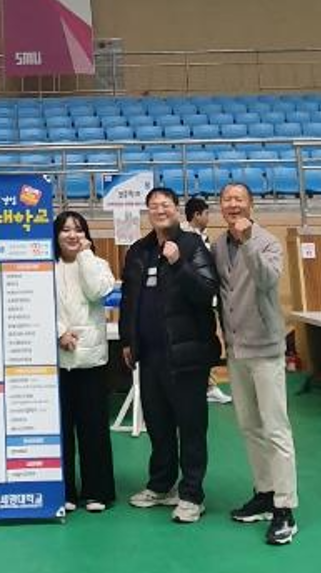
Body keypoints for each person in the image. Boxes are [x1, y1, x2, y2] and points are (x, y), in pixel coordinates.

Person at [120, 187, 220, 524]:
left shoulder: (192, 246)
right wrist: (128, 340)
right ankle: (161, 485)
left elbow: (207, 292)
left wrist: (179, 263)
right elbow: (129, 300)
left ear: (176, 209)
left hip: (186, 355)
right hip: (150, 356)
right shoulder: (139, 250)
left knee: (191, 427)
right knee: (158, 425)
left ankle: (191, 494)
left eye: (165, 205)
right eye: (153, 206)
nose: (159, 210)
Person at [213, 183, 299, 546]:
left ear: (251, 205)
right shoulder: (218, 245)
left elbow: (267, 280)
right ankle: (265, 493)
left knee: (276, 428)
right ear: (221, 206)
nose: (232, 204)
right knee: (249, 426)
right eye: (227, 199)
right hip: (236, 351)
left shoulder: (267, 242)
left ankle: (285, 508)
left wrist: (248, 241)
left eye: (239, 199)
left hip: (265, 349)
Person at [54, 210, 116, 514]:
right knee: (60, 429)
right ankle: (64, 490)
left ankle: (97, 490)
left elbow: (97, 291)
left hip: (91, 359)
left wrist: (85, 256)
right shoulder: (45, 267)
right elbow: (35, 304)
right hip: (56, 360)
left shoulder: (98, 263)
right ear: (56, 236)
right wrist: (58, 332)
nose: (72, 235)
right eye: (65, 229)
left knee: (93, 429)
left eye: (78, 229)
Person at [183, 196, 233, 406]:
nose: (209, 218)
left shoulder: (203, 237)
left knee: (207, 344)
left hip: (207, 300)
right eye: (206, 214)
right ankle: (206, 387)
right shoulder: (184, 238)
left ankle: (208, 386)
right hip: (191, 303)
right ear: (197, 215)